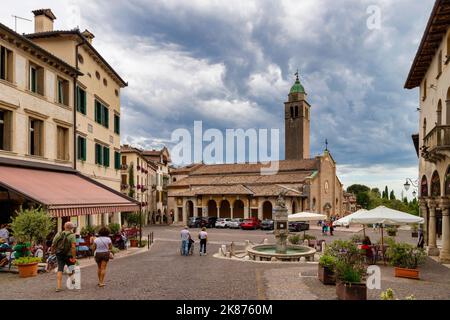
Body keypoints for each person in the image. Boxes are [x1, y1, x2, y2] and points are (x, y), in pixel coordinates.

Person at [51, 222, 77, 292]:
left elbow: (53, 244)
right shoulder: (72, 235)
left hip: (59, 254)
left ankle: (59, 287)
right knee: (71, 267)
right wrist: (74, 257)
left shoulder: (58, 234)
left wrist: (52, 252)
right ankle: (72, 280)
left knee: (60, 269)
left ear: (64, 227)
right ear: (72, 228)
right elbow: (73, 247)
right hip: (69, 255)